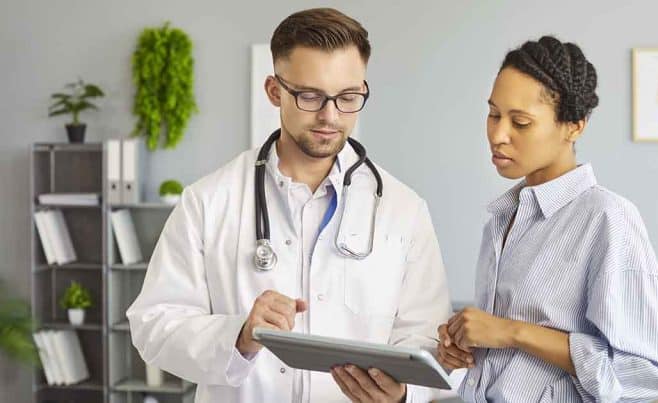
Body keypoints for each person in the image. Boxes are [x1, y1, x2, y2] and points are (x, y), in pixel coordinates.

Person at [127, 8, 451, 403]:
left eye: (348, 97)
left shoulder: (403, 209)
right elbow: (154, 326)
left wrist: (403, 395)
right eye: (310, 96)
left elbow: (429, 337)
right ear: (274, 91)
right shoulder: (209, 202)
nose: (330, 116)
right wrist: (239, 335)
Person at [436, 36, 658, 402]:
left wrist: (511, 332)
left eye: (520, 122)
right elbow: (507, 357)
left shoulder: (608, 219)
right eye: (493, 114)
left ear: (574, 126)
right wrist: (463, 345)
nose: (498, 135)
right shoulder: (501, 220)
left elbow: (650, 372)